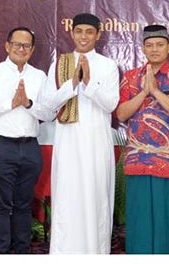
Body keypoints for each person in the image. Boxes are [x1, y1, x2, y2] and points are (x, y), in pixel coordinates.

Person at [44, 13, 119, 254]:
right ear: (72, 33)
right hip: (68, 143)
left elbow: (110, 105)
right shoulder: (59, 64)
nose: (84, 36)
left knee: (96, 198)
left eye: (89, 32)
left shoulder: (108, 66)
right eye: (79, 31)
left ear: (98, 35)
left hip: (97, 143)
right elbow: (48, 105)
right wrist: (72, 85)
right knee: (67, 199)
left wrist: (88, 82)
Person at [0, 27, 53, 254]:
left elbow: (48, 114)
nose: (21, 49)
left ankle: (22, 253)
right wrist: (11, 103)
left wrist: (27, 103)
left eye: (26, 45)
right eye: (17, 44)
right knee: (2, 205)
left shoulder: (39, 76)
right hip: (0, 146)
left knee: (24, 204)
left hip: (29, 147)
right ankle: (2, 254)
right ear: (7, 46)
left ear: (32, 49)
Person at [116, 24, 169, 254]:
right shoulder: (131, 78)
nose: (154, 49)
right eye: (149, 45)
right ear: (142, 48)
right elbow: (121, 114)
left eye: (160, 44)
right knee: (139, 220)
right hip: (137, 161)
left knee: (168, 220)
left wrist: (157, 92)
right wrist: (143, 92)